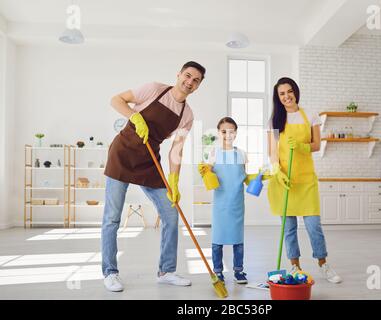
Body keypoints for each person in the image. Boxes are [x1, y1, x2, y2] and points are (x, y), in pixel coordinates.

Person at [101, 61, 206, 292]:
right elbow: (116, 99)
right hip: (122, 154)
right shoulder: (154, 89)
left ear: (197, 87)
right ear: (178, 74)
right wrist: (135, 117)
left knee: (171, 215)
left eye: (195, 80)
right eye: (187, 76)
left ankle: (166, 270)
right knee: (112, 218)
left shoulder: (186, 115)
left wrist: (174, 181)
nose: (189, 82)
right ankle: (110, 272)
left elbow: (176, 149)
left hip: (149, 161)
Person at [267, 77, 342, 283]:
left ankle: (323, 264)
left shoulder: (309, 115)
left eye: (289, 91)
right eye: (282, 94)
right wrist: (277, 171)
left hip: (306, 180)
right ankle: (295, 267)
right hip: (284, 182)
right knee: (289, 229)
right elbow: (272, 152)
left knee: (313, 226)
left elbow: (317, 144)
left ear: (295, 92)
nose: (286, 96)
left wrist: (301, 147)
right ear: (278, 97)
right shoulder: (274, 120)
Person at [198, 117, 254, 284]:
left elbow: (244, 176)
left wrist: (260, 177)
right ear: (218, 133)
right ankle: (218, 271)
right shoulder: (213, 153)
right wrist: (205, 171)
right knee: (218, 239)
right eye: (223, 131)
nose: (227, 135)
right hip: (220, 203)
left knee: (238, 239)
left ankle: (239, 271)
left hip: (236, 201)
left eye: (231, 131)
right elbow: (208, 174)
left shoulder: (241, 153)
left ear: (235, 133)